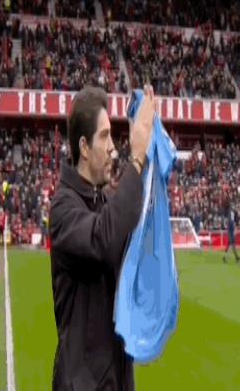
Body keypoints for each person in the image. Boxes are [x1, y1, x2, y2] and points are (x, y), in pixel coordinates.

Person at [50, 85, 155, 390]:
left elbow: (124, 213)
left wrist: (148, 154)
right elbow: (103, 240)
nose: (112, 148)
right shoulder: (63, 208)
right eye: (105, 136)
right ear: (84, 147)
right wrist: (137, 159)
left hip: (116, 378)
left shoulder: (102, 200)